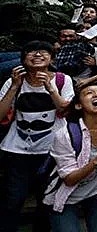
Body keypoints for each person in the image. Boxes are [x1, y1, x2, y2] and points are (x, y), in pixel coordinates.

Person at [0, 41, 74, 232]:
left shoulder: (62, 80)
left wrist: (50, 87)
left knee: (46, 199)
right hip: (15, 149)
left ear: (52, 58)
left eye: (43, 52)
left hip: (51, 150)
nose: (37, 54)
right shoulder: (13, 81)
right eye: (31, 52)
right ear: (23, 59)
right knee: (13, 199)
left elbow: (65, 111)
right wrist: (15, 86)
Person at [43, 84, 97, 232]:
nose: (96, 95)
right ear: (78, 105)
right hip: (66, 196)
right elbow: (69, 179)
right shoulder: (65, 135)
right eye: (89, 93)